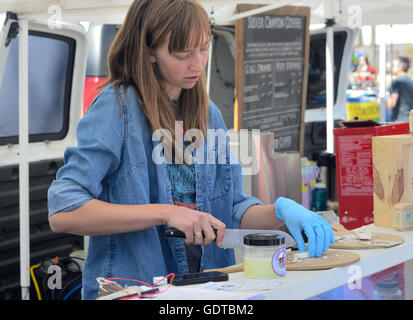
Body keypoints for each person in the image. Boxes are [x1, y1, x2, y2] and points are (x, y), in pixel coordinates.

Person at [47, 0, 334, 300]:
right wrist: (166, 213)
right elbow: (64, 210)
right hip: (134, 290)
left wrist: (279, 212)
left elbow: (232, 209)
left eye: (204, 48)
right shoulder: (116, 108)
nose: (197, 64)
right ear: (149, 51)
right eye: (183, 54)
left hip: (204, 290)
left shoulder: (209, 115)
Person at [386, 56, 413, 122]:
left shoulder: (397, 82)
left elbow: (391, 103)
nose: (391, 68)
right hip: (410, 122)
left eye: (393, 66)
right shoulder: (410, 82)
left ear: (400, 67)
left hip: (399, 123)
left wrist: (380, 101)